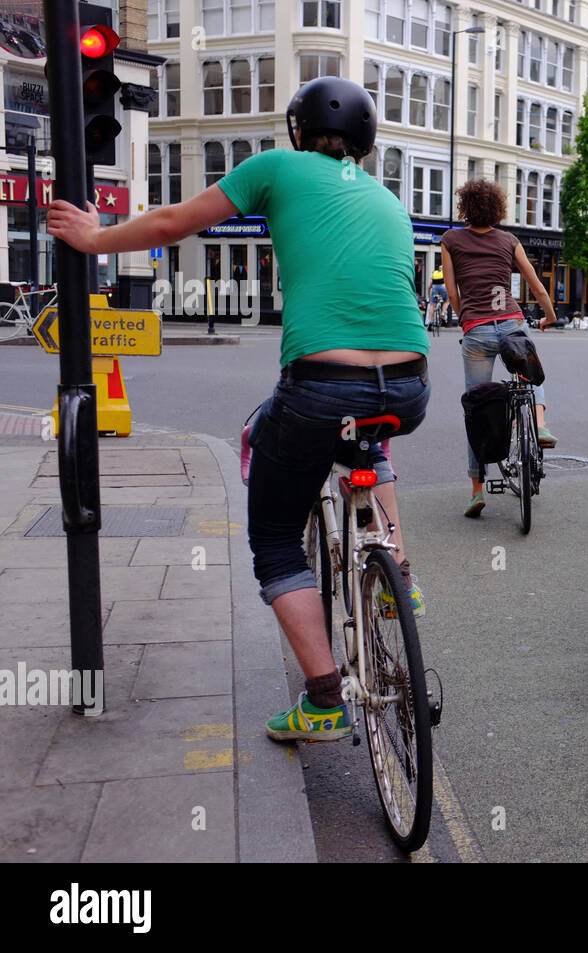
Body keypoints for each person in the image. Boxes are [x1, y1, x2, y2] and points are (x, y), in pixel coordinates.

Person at [50, 76, 431, 740]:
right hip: (409, 383)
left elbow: (172, 223)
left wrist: (92, 237)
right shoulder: (387, 199)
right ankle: (399, 567)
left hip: (320, 385)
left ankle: (321, 703)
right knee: (368, 442)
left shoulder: (276, 168)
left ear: (298, 130)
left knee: (276, 533)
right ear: (364, 143)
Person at [441, 179, 559, 517]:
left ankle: (477, 489)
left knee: (477, 408)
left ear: (464, 207)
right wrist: (549, 317)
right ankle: (539, 425)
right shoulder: (509, 240)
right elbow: (536, 285)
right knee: (531, 373)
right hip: (510, 323)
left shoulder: (450, 240)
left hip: (476, 330)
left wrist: (466, 318)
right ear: (498, 209)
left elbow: (452, 292)